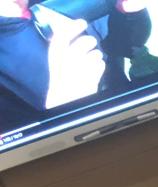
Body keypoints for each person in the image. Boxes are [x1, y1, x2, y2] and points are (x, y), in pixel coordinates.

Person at [0, 0, 150, 131]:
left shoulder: (55, 6)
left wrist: (131, 14)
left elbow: (121, 45)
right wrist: (64, 105)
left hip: (139, 121)